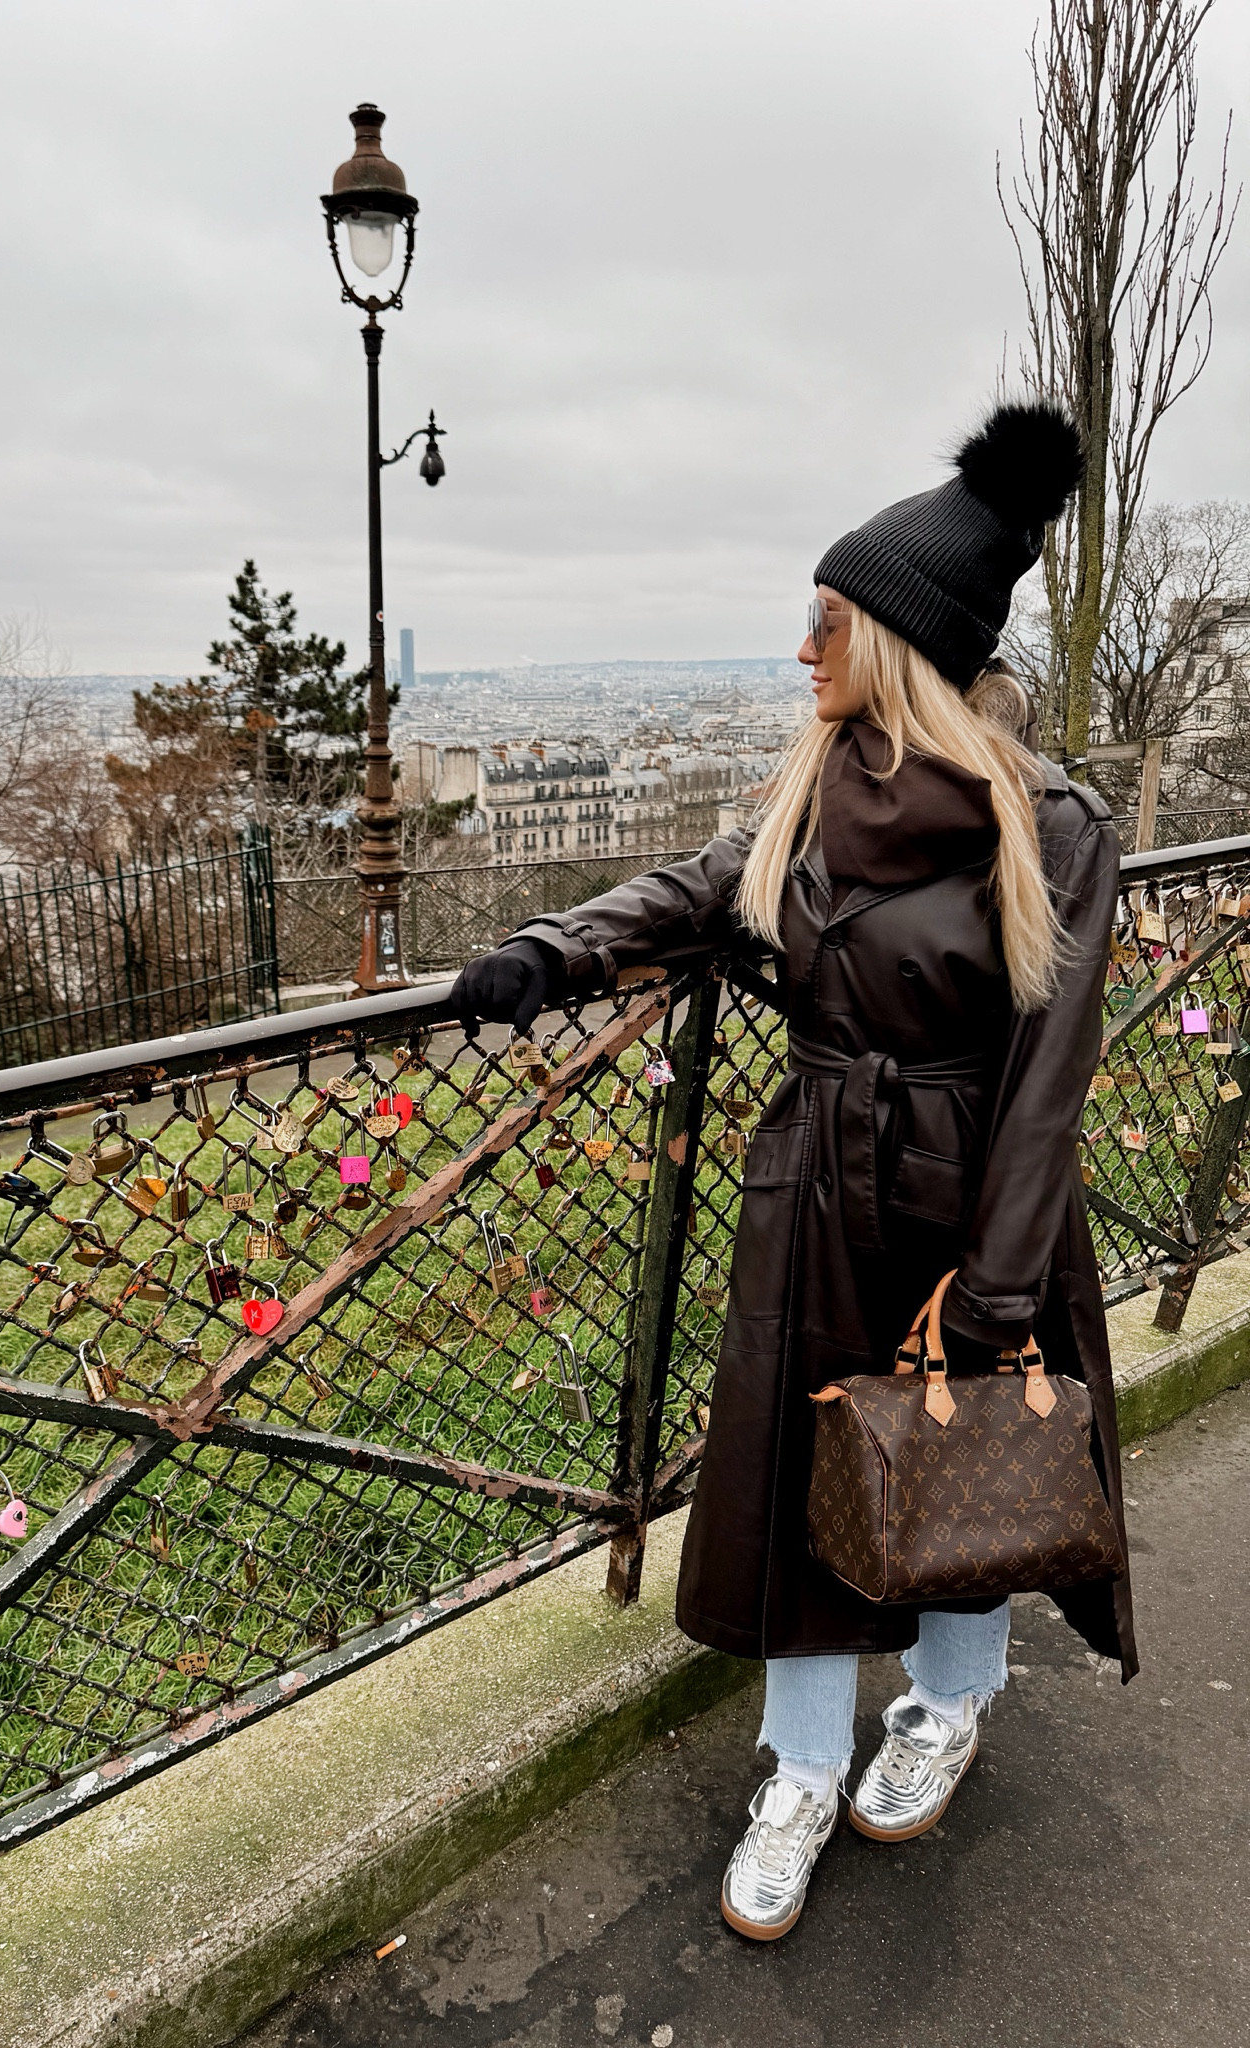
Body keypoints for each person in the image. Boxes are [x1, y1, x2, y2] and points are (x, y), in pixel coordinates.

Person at [453, 400, 1133, 1941]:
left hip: (974, 1189)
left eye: (825, 618)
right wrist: (547, 951)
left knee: (959, 1450)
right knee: (799, 1477)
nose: (803, 646)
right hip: (817, 1179)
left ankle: (949, 1708)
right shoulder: (811, 795)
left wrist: (1006, 1283)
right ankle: (803, 1769)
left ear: (894, 634)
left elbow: (1051, 1078)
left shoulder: (1054, 824)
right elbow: (698, 894)